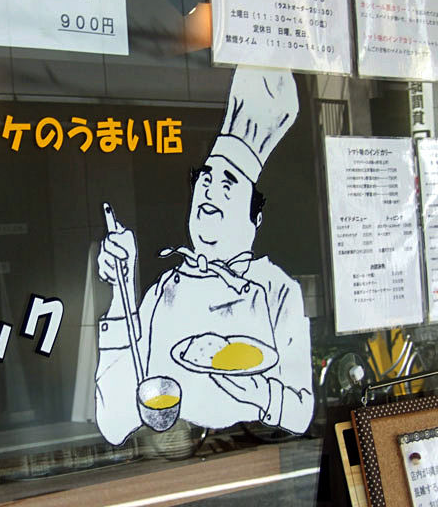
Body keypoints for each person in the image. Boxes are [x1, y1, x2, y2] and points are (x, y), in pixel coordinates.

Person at [95, 67, 314, 446]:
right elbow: (113, 421)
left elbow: (302, 412)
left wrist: (258, 394)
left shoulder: (278, 290)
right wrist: (122, 289)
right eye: (206, 180)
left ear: (256, 218)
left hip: (252, 457)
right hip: (172, 462)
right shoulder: (165, 289)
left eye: (228, 186)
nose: (211, 192)